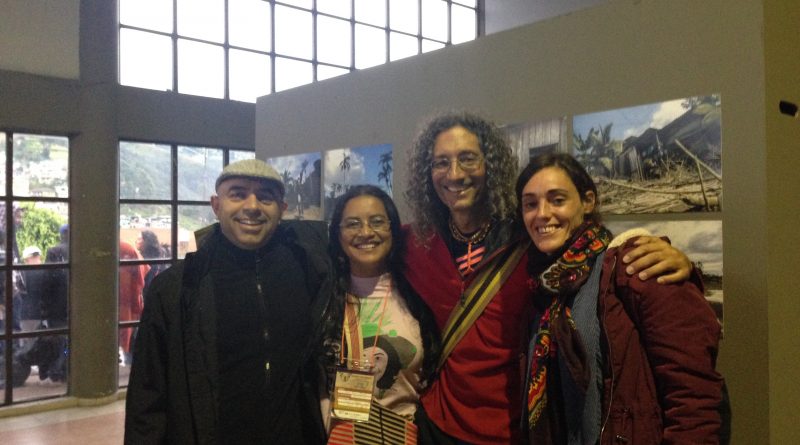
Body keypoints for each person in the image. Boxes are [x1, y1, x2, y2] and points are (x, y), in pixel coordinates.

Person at [402, 111, 694, 444]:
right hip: (437, 424)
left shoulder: (531, 238)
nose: (454, 174)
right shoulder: (414, 243)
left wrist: (677, 260)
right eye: (441, 162)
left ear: (490, 165)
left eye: (468, 159)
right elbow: (361, 256)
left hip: (517, 430)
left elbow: (593, 252)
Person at [516, 153, 722, 443]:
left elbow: (693, 395)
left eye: (557, 200)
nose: (542, 213)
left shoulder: (634, 264)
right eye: (530, 204)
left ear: (588, 201)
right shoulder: (544, 289)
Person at [125, 159, 332, 444]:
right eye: (238, 194)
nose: (252, 206)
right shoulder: (177, 289)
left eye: (265, 197)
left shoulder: (309, 271)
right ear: (216, 205)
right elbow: (147, 394)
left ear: (282, 209)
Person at [321, 185, 439, 444]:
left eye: (377, 222)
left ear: (392, 229)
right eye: (353, 224)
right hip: (342, 438)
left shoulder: (418, 293)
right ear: (338, 234)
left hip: (403, 436)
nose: (366, 232)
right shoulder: (323, 297)